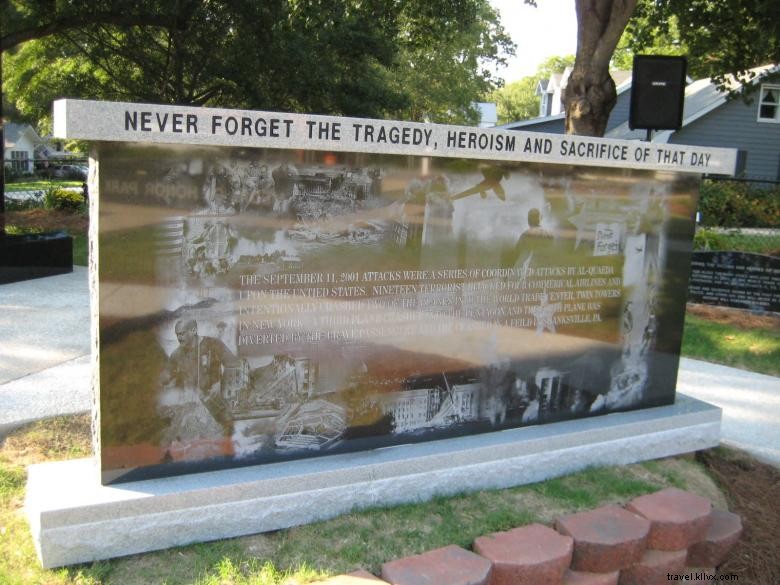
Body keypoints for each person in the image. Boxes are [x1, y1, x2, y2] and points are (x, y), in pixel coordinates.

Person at [160, 319, 240, 437]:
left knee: (228, 434)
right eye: (177, 335)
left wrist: (220, 385)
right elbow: (165, 378)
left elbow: (233, 365)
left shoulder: (213, 344)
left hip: (216, 403)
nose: (179, 338)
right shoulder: (176, 355)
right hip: (192, 406)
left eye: (182, 333)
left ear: (193, 330)